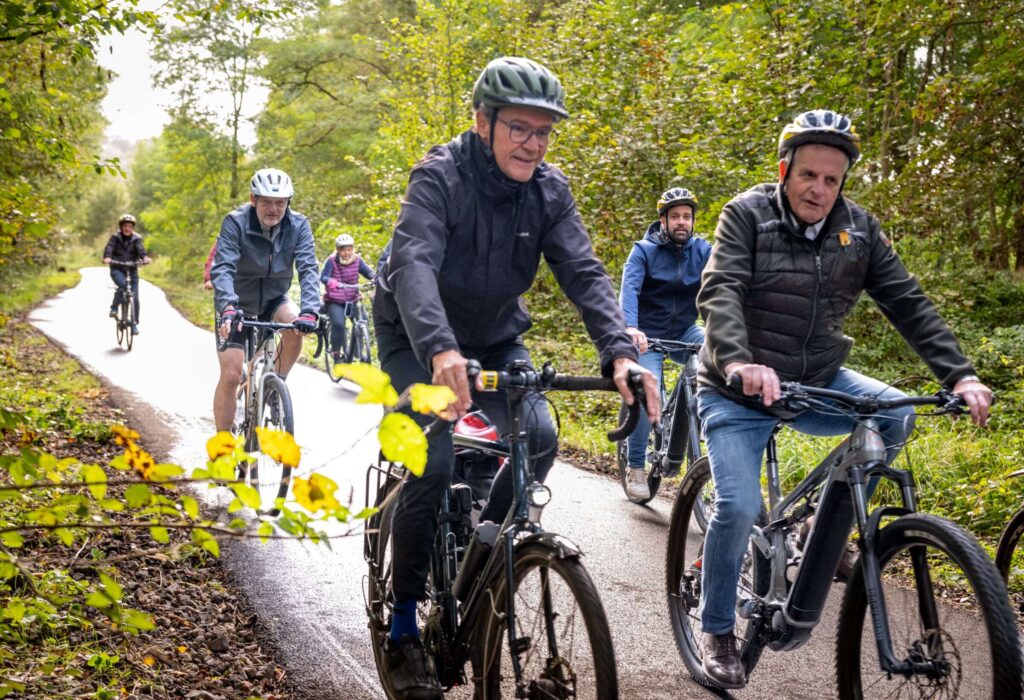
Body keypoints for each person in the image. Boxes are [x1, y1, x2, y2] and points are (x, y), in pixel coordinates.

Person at [372, 56, 659, 698]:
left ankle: (479, 565)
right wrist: (440, 350)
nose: (532, 143)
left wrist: (619, 353)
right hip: (414, 338)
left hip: (497, 337)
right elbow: (414, 264)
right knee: (432, 463)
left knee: (540, 437)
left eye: (543, 131)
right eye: (519, 128)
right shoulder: (438, 177)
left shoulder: (549, 191)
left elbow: (583, 272)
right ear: (483, 123)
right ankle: (403, 627)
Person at [694, 109, 993, 690]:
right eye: (809, 175)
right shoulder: (746, 214)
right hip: (737, 389)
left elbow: (907, 302)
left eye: (832, 179)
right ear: (785, 171)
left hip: (816, 379)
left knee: (894, 415)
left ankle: (818, 534)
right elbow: (721, 288)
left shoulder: (859, 231)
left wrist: (960, 376)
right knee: (738, 505)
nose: (819, 189)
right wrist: (737, 360)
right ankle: (717, 627)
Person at [210, 168, 321, 433]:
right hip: (236, 302)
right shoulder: (235, 222)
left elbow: (308, 269)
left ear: (288, 202)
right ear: (253, 199)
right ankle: (223, 446)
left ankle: (273, 387)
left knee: (295, 328)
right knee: (232, 374)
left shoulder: (299, 225)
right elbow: (223, 267)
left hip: (274, 298)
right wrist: (228, 306)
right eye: (267, 202)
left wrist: (310, 311)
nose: (274, 209)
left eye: (280, 203)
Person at [618, 186, 712, 500]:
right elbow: (629, 292)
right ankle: (635, 466)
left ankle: (703, 420)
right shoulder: (643, 251)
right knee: (648, 392)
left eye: (687, 216)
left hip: (684, 331)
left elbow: (722, 286)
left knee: (720, 354)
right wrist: (631, 328)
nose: (682, 221)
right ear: (663, 221)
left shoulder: (703, 251)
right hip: (646, 335)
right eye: (675, 216)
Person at [320, 233, 374, 361]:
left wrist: (374, 278)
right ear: (338, 250)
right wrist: (331, 281)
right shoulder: (331, 261)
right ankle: (336, 353)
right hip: (334, 300)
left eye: (349, 249)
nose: (347, 253)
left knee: (362, 321)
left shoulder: (357, 260)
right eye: (343, 250)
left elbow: (368, 272)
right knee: (338, 324)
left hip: (353, 298)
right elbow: (323, 277)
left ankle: (357, 351)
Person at [102, 213, 151, 335]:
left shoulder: (136, 238)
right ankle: (114, 307)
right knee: (123, 286)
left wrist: (144, 258)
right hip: (117, 268)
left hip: (132, 269)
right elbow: (109, 248)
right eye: (125, 226)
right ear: (121, 227)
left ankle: (134, 324)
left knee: (135, 297)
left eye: (129, 226)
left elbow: (140, 250)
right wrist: (107, 257)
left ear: (132, 228)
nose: (127, 228)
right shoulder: (115, 237)